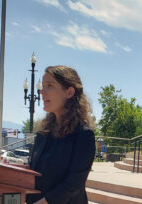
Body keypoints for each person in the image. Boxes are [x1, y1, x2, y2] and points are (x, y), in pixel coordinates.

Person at [26, 65, 95, 204]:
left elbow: (73, 184)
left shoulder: (83, 135)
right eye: (42, 86)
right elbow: (35, 171)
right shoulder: (43, 132)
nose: (41, 92)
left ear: (69, 92)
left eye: (49, 86)